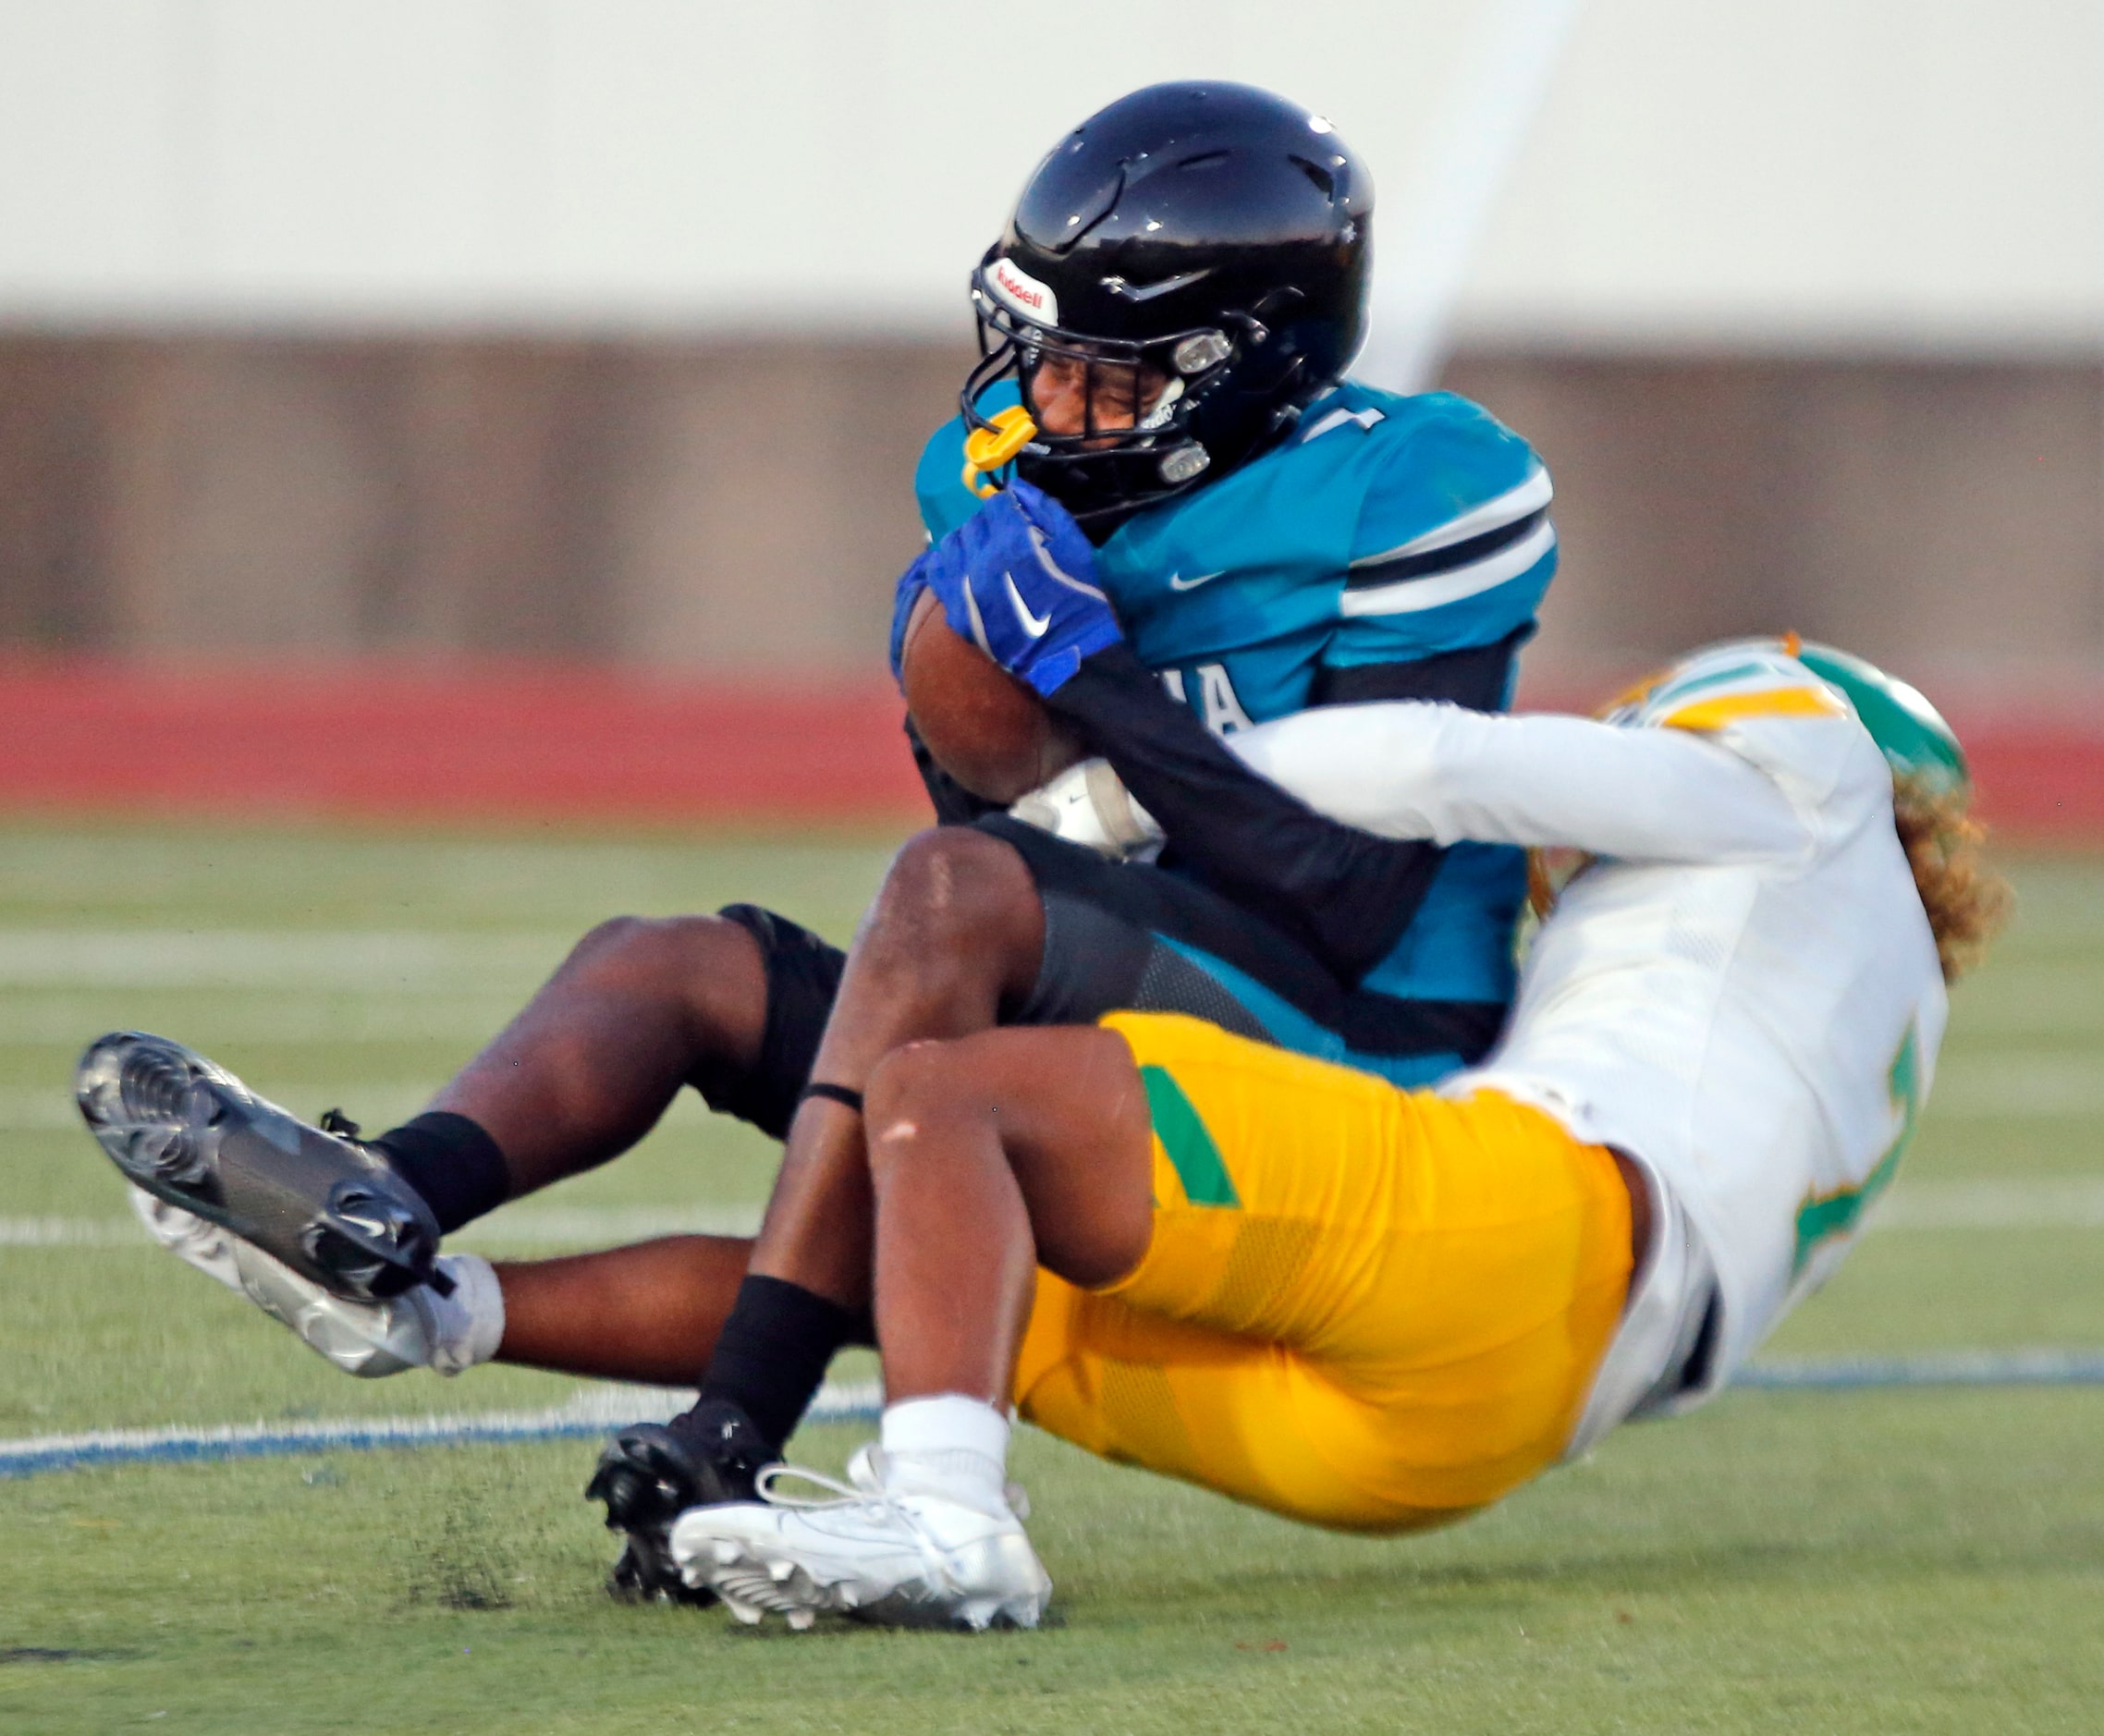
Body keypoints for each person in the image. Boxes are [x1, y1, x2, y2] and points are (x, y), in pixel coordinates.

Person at [651, 632, 2008, 1629]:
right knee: (944, 1274)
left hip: (1533, 1223)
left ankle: (949, 1520)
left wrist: (1111, 806)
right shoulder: (1882, 1010)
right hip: (1479, 1435)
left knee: (946, 1094)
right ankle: (456, 1310)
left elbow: (1443, 760)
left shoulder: (1813, 755)